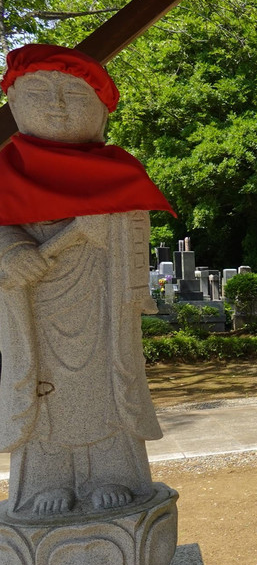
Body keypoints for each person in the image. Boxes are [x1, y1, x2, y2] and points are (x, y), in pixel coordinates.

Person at [0, 44, 173, 517]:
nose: (56, 104)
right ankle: (46, 480)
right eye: (40, 91)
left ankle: (111, 474)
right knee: (45, 390)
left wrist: (111, 230)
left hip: (102, 304)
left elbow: (132, 231)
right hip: (33, 311)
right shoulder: (4, 172)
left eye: (74, 96)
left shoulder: (118, 172)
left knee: (108, 381)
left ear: (100, 113)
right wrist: (9, 251)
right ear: (13, 103)